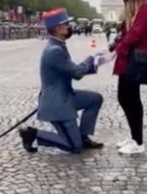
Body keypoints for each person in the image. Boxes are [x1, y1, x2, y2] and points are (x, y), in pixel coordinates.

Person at [18, 8, 106, 153]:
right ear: (58, 28)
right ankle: (32, 134)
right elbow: (77, 73)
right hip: (57, 104)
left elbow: (70, 70)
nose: (69, 27)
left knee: (95, 99)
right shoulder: (55, 51)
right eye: (66, 25)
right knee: (74, 146)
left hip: (65, 96)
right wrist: (91, 58)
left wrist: (97, 63)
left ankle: (83, 136)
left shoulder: (57, 46)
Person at [110, 0, 147, 155]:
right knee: (126, 98)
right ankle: (134, 137)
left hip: (135, 59)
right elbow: (126, 32)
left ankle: (138, 141)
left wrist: (119, 48)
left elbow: (136, 33)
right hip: (129, 58)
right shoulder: (138, 8)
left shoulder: (146, 7)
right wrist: (114, 46)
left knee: (129, 99)